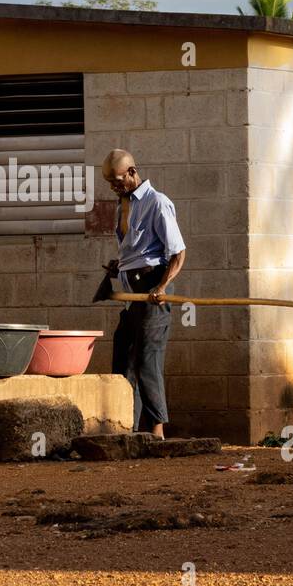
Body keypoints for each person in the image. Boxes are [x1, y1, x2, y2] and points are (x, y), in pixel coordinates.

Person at [101, 148, 186, 438]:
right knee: (124, 358)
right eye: (110, 183)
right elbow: (135, 251)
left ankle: (157, 431)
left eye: (118, 181)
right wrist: (118, 266)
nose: (115, 187)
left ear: (133, 172)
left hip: (152, 290)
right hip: (131, 294)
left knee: (147, 359)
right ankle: (131, 429)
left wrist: (161, 288)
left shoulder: (157, 203)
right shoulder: (122, 205)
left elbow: (178, 253)